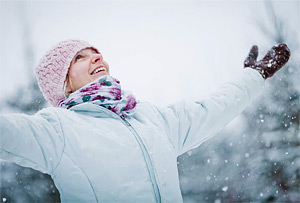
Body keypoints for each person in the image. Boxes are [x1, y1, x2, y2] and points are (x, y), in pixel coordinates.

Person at [0, 39, 290, 202]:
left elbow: (210, 109)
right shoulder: (57, 129)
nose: (95, 56)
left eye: (95, 51)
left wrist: (254, 76)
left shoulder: (148, 117)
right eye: (79, 58)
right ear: (64, 84)